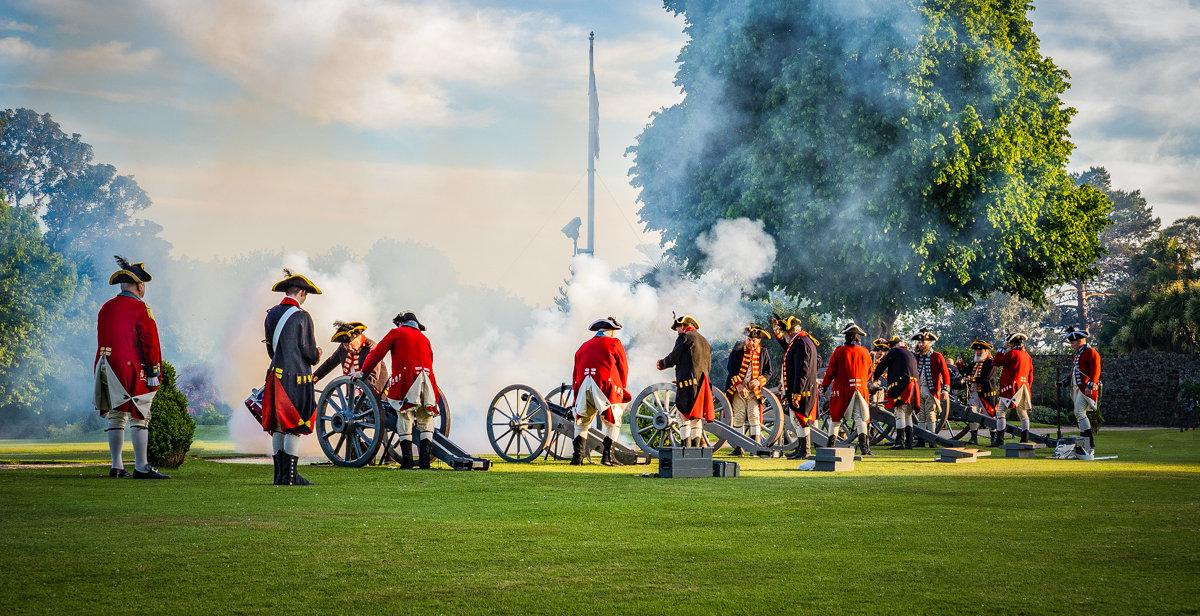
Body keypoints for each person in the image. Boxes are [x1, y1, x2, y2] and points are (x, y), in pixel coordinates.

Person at [93, 256, 169, 480]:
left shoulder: (106, 307)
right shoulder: (141, 308)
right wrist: (154, 371)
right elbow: (150, 343)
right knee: (140, 415)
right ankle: (141, 466)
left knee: (116, 416)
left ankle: (116, 465)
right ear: (139, 285)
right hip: (131, 369)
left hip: (105, 366)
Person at [261, 269, 323, 485]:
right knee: (295, 425)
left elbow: (271, 349)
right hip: (297, 378)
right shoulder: (302, 316)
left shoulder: (271, 314)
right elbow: (308, 351)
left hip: (275, 375)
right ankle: (290, 477)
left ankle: (279, 475)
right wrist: (317, 355)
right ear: (302, 294)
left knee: (278, 425)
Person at [357, 312, 441, 469]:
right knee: (425, 418)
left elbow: (377, 353)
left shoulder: (396, 333)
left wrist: (363, 372)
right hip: (427, 380)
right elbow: (430, 359)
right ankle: (424, 463)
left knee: (405, 417)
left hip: (406, 380)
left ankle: (408, 462)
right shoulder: (425, 339)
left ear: (402, 323)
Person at [570, 317, 631, 466]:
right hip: (605, 386)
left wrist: (576, 390)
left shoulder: (583, 346)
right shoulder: (614, 343)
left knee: (582, 421)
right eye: (614, 331)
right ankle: (607, 457)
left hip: (583, 385)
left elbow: (575, 371)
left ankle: (577, 458)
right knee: (613, 421)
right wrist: (622, 387)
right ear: (610, 331)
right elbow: (623, 367)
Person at [656, 314, 714, 448]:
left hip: (688, 385)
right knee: (696, 418)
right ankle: (695, 449)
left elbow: (675, 356)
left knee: (683, 417)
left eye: (677, 328)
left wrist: (662, 363)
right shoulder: (704, 341)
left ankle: (685, 448)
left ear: (683, 326)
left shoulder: (684, 337)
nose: (677, 331)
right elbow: (708, 366)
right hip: (702, 385)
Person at [820, 322, 874, 456]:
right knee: (860, 418)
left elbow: (830, 372)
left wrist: (824, 385)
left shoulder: (839, 351)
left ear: (847, 337)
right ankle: (864, 448)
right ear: (858, 338)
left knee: (835, 418)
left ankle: (830, 445)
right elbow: (869, 372)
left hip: (843, 390)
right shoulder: (865, 352)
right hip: (861, 389)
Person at [724, 324, 773, 456]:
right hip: (737, 389)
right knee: (739, 416)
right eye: (748, 340)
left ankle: (755, 447)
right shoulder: (737, 350)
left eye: (754, 340)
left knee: (754, 416)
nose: (750, 342)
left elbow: (769, 372)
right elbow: (731, 369)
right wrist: (739, 385)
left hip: (754, 391)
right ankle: (739, 448)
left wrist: (758, 381)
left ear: (759, 341)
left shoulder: (763, 352)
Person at [776, 316, 819, 459]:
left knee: (800, 419)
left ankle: (805, 450)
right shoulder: (801, 341)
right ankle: (801, 448)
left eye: (785, 332)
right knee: (798, 419)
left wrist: (797, 392)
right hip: (802, 388)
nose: (785, 335)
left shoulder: (801, 343)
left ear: (790, 331)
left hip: (802, 389)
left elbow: (803, 371)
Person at [314, 321, 388, 395]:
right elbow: (330, 363)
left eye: (351, 344)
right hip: (353, 393)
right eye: (346, 345)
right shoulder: (342, 348)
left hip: (375, 393)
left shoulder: (371, 347)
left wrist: (360, 389)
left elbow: (373, 373)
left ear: (359, 337)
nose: (349, 348)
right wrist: (316, 376)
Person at [873, 335, 920, 450]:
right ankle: (909, 442)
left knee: (899, 413)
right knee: (908, 414)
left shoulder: (894, 351)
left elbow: (882, 365)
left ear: (892, 346)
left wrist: (874, 378)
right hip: (914, 386)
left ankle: (900, 442)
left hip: (903, 386)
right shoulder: (909, 353)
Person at [1064, 326, 1102, 458]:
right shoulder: (1078, 354)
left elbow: (1096, 371)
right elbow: (1075, 370)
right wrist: (1067, 380)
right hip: (1078, 387)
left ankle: (1089, 442)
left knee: (1079, 412)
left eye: (1073, 342)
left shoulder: (1091, 352)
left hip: (1085, 387)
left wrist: (1091, 385)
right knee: (1079, 413)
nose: (1071, 345)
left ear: (1080, 341)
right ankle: (1085, 440)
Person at [911, 328, 951, 448]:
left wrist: (945, 390)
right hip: (918, 391)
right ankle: (921, 440)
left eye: (923, 342)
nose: (920, 344)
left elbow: (945, 374)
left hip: (931, 391)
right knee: (921, 416)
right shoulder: (916, 357)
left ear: (929, 343)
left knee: (930, 414)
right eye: (919, 342)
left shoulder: (937, 356)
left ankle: (932, 439)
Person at [993, 332, 1035, 443]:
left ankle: (999, 440)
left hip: (1011, 388)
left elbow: (996, 362)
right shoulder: (1028, 356)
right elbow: (1030, 375)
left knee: (1001, 412)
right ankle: (1024, 439)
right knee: (1022, 413)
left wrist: (1002, 348)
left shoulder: (1012, 353)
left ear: (1011, 343)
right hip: (1024, 387)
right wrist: (1028, 388)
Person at [960, 339, 1000, 447]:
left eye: (980, 350)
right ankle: (974, 438)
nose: (978, 352)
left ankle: (993, 438)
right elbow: (966, 371)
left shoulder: (991, 362)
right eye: (977, 351)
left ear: (986, 351)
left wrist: (972, 379)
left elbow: (986, 379)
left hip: (987, 395)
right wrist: (960, 365)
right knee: (972, 414)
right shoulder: (974, 363)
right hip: (974, 394)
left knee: (990, 416)